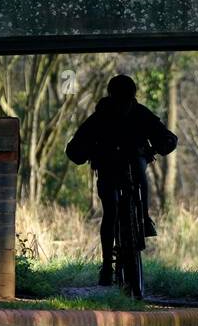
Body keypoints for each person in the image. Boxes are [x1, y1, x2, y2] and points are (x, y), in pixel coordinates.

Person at [66, 74, 178, 288]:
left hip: (121, 167)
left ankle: (110, 263)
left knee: (111, 210)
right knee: (112, 208)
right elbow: (76, 147)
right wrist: (162, 144)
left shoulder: (107, 115)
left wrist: (164, 143)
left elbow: (75, 147)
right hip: (111, 168)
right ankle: (137, 229)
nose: (122, 106)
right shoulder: (126, 114)